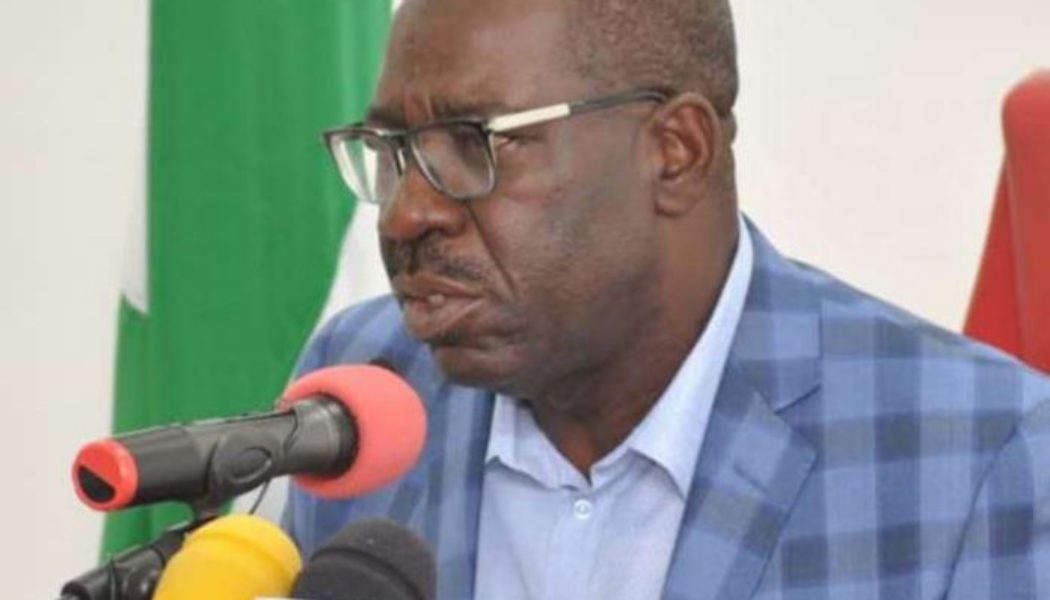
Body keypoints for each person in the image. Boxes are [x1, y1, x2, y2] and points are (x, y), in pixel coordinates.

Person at [283, 0, 1050, 598]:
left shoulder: (977, 451)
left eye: (474, 142)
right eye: (392, 151)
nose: (407, 214)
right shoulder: (367, 384)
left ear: (676, 151)